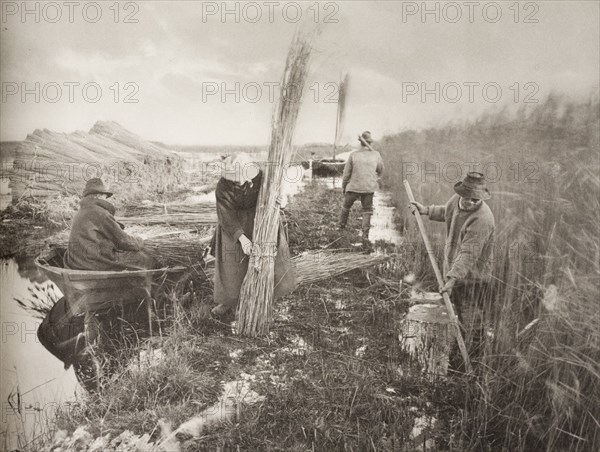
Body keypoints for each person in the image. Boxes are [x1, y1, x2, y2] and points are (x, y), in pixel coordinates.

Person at [409, 171, 496, 345]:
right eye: (467, 198)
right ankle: (461, 347)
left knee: (473, 320)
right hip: (454, 270)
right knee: (458, 312)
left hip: (473, 277)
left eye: (475, 200)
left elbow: (468, 254)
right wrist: (426, 210)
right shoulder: (455, 201)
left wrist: (452, 278)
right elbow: (447, 212)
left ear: (481, 199)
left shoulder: (482, 219)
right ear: (461, 193)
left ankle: (473, 356)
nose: (470, 202)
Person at [210, 153, 296, 318]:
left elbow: (280, 197)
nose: (240, 181)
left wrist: (281, 201)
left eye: (242, 176)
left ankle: (267, 297)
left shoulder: (263, 177)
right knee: (232, 262)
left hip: (262, 220)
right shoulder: (223, 186)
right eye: (236, 178)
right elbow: (226, 215)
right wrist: (241, 238)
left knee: (268, 258)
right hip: (234, 223)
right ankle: (229, 300)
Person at [64, 178, 148, 271]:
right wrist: (140, 239)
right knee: (143, 258)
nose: (106, 200)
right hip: (91, 264)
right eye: (105, 196)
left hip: (76, 262)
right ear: (98, 196)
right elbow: (125, 242)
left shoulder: (80, 212)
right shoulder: (101, 213)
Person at [338, 131, 384, 243]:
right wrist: (374, 179)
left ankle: (341, 228)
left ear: (360, 143)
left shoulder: (354, 155)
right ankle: (365, 235)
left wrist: (344, 186)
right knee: (367, 210)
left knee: (346, 207)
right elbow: (381, 170)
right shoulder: (376, 155)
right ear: (370, 143)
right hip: (369, 187)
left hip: (353, 187)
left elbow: (346, 174)